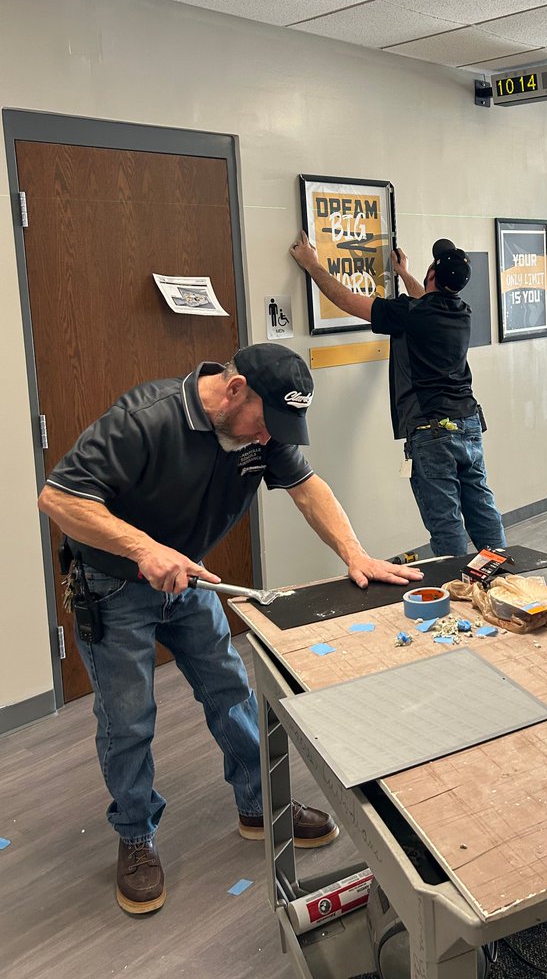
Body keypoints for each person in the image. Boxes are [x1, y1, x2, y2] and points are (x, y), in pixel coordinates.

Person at [37, 343, 422, 915]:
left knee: (231, 692)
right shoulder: (147, 419)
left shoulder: (263, 431)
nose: (271, 439)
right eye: (267, 424)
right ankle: (136, 835)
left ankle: (260, 803)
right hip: (115, 587)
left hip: (191, 582)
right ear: (235, 390)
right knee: (129, 718)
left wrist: (354, 553)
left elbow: (307, 487)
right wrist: (143, 549)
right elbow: (59, 497)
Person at [290, 233, 506, 558]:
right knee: (481, 508)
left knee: (446, 523)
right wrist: (404, 274)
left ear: (432, 275)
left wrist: (312, 265)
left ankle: (458, 593)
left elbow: (348, 301)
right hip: (469, 425)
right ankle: (505, 579)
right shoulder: (461, 311)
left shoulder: (411, 314)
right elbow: (423, 300)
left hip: (432, 432)